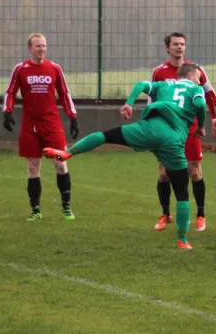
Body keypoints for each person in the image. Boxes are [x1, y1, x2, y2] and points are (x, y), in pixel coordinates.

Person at [43, 63, 207, 250]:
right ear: (192, 75)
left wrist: (129, 103)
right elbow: (201, 104)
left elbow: (140, 85)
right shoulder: (195, 88)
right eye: (199, 77)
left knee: (105, 135)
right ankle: (182, 240)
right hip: (173, 139)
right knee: (182, 193)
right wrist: (201, 125)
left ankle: (68, 152)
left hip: (149, 129)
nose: (200, 80)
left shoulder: (164, 84)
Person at [151, 32, 216, 233]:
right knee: (164, 173)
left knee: (194, 171)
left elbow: (209, 94)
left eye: (182, 44)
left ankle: (201, 215)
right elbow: (152, 100)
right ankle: (166, 214)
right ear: (167, 48)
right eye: (175, 44)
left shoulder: (196, 70)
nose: (179, 48)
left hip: (190, 129)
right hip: (166, 129)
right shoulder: (159, 72)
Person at [3, 33, 79, 221]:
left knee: (60, 164)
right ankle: (36, 210)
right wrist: (7, 111)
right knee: (33, 166)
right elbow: (11, 92)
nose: (42, 49)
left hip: (51, 125)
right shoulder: (21, 69)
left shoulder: (54, 69)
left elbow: (64, 94)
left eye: (44, 46)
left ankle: (66, 207)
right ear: (30, 48)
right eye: (38, 46)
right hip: (30, 126)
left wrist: (73, 117)